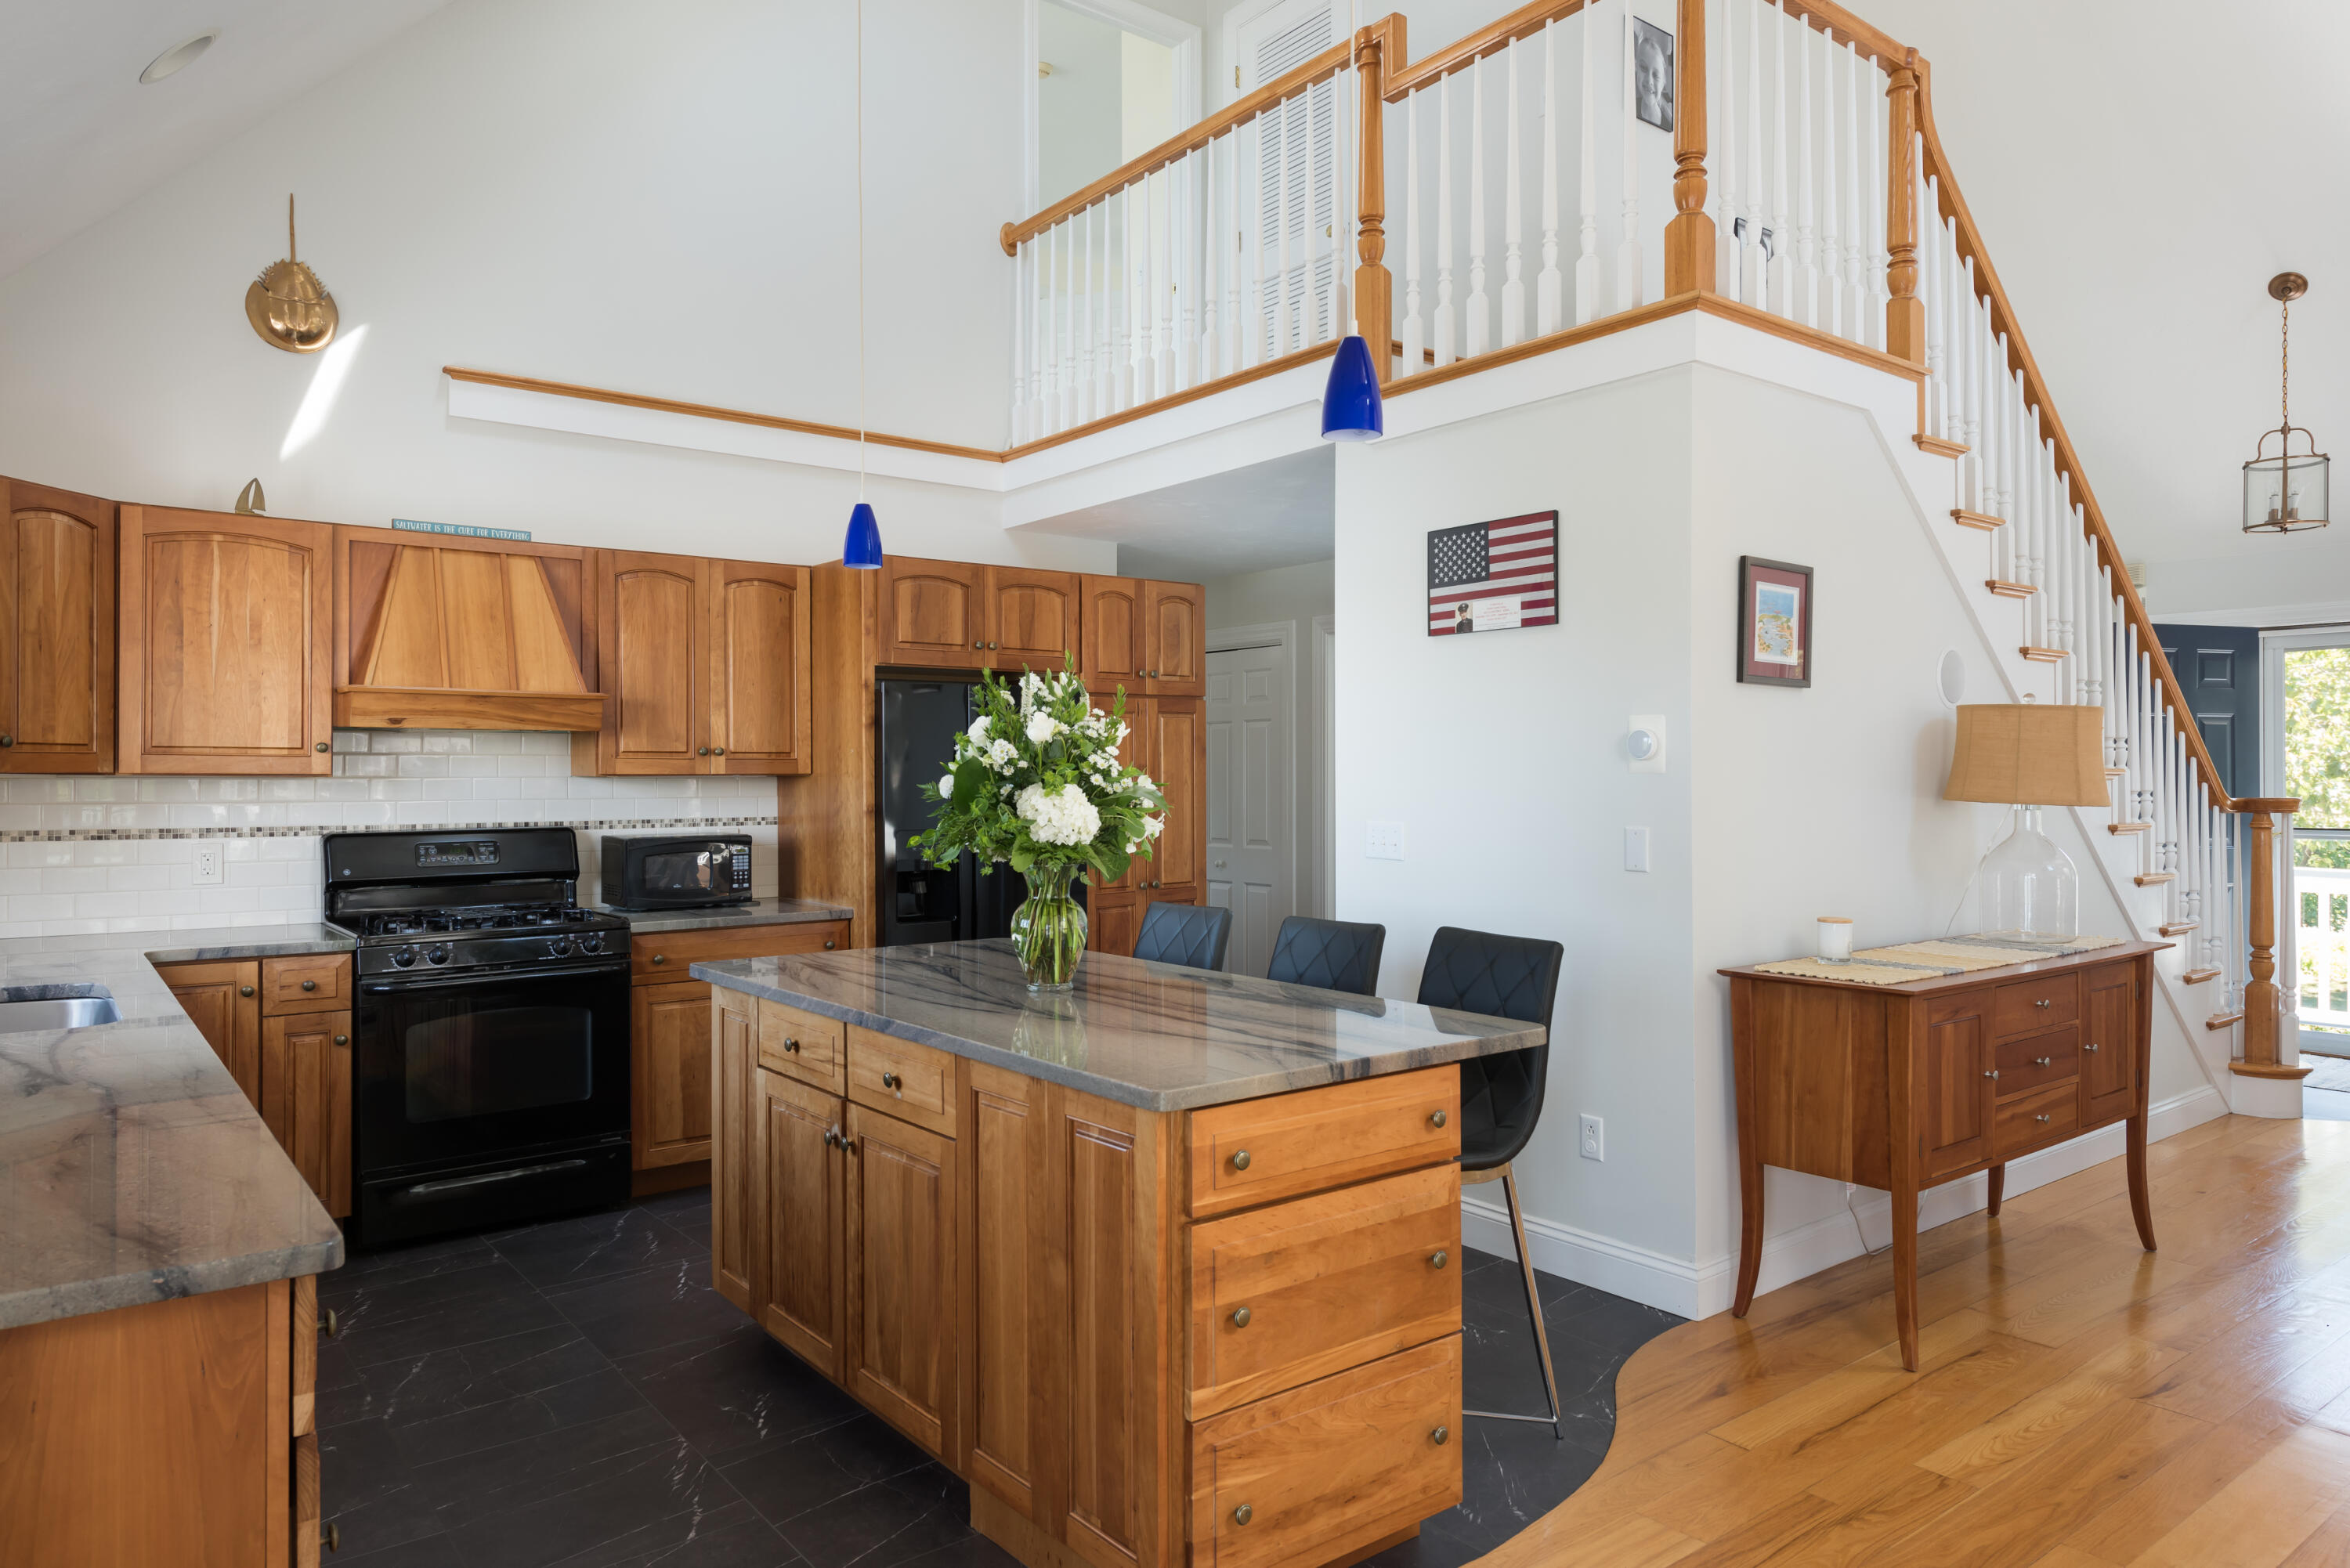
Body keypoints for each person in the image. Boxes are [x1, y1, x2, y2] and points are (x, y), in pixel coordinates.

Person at [1635, 27, 1672, 131]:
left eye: (1656, 75)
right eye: (1643, 68)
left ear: (1663, 82)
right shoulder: (1631, 107)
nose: (1649, 81)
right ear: (1636, 67)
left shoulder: (1669, 124)